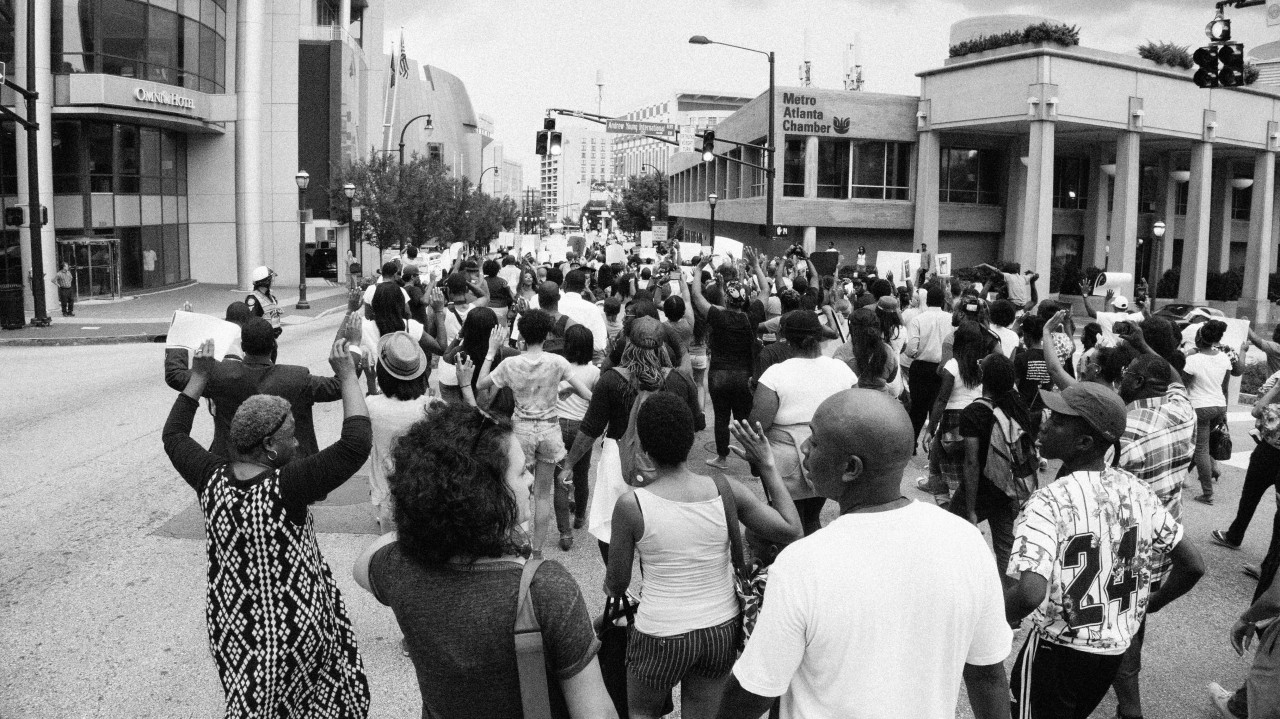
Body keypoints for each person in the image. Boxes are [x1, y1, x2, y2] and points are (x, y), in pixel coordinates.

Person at [716, 389, 1013, 719]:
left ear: (851, 468)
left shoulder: (803, 564)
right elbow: (987, 676)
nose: (803, 449)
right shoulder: (966, 543)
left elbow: (754, 692)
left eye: (813, 441)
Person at [352, 402, 617, 719]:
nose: (532, 479)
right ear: (484, 494)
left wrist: (429, 514)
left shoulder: (397, 568)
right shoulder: (544, 590)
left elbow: (362, 563)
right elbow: (596, 712)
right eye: (520, 472)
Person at [163, 336, 372, 718]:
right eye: (291, 436)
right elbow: (355, 444)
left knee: (251, 704)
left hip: (234, 628)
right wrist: (348, 376)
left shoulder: (210, 477)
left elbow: (174, 435)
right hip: (295, 632)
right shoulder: (286, 487)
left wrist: (198, 378)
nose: (297, 442)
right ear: (272, 447)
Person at [1005, 383, 1205, 719]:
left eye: (1057, 421)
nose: (1045, 422)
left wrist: (985, 617)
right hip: (1111, 654)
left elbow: (1028, 593)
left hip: (1056, 653)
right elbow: (1193, 564)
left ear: (1084, 442)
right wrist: (1149, 605)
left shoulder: (1048, 502)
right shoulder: (1138, 491)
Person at [606, 396, 802, 719]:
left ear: (642, 445)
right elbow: (790, 527)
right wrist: (767, 465)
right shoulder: (726, 489)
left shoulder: (631, 506)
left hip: (660, 633)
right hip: (719, 629)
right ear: (691, 439)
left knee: (642, 713)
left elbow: (617, 583)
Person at [561, 317, 703, 561]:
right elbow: (695, 425)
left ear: (628, 344)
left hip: (617, 461)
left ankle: (618, 589)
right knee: (658, 532)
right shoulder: (680, 381)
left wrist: (569, 465)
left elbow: (590, 429)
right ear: (661, 347)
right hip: (664, 466)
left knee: (611, 529)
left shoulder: (611, 380)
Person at [1107, 352, 1196, 719]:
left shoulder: (1124, 434)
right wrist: (1147, 346)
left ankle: (1131, 707)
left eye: (1126, 375)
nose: (1120, 380)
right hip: (1164, 541)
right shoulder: (1183, 410)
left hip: (1126, 549)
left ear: (1139, 383)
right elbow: (1174, 379)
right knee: (1135, 619)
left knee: (1117, 625)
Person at [477, 309, 594, 553]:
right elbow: (588, 395)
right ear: (547, 333)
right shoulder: (557, 362)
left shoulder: (510, 364)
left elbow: (481, 384)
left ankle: (519, 542)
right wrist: (568, 391)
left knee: (519, 488)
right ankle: (537, 551)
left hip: (521, 430)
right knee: (543, 494)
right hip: (550, 429)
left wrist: (491, 351)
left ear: (521, 334)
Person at [164, 316, 356, 458]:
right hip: (285, 473)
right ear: (273, 346)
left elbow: (175, 376)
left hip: (232, 469)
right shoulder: (297, 378)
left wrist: (182, 328)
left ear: (243, 347)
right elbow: (341, 384)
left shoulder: (221, 375)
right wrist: (354, 344)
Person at [750, 311, 857, 540]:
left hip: (784, 461)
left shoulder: (775, 374)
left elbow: (758, 424)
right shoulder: (841, 370)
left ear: (786, 339)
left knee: (787, 520)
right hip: (827, 455)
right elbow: (854, 416)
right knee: (811, 517)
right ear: (818, 337)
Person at [955, 353, 1034, 588]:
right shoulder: (1017, 407)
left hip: (979, 488)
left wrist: (970, 509)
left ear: (983, 378)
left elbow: (972, 462)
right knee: (1005, 547)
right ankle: (1011, 606)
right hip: (1006, 487)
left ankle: (961, 587)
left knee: (952, 533)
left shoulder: (974, 412)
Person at [690, 255, 760, 470]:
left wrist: (700, 268)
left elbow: (696, 294)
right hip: (744, 375)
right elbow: (765, 292)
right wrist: (757, 266)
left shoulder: (717, 316)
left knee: (721, 417)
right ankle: (755, 462)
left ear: (727, 300)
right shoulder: (751, 317)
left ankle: (721, 458)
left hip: (719, 374)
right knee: (745, 419)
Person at [364, 332, 434, 530]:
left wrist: (370, 382)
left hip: (387, 496)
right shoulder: (431, 407)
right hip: (423, 496)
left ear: (381, 372)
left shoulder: (370, 405)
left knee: (390, 552)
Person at [1214, 368, 1280, 551]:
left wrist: (1276, 389)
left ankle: (1235, 536)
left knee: (1250, 497)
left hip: (1269, 451)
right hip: (1268, 449)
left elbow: (1257, 409)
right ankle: (1270, 564)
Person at [1183, 319, 1246, 505]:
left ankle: (1207, 493)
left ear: (1199, 338)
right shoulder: (1224, 358)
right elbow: (1224, 388)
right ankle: (1211, 470)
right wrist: (1224, 412)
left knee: (1200, 449)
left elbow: (1182, 386)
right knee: (1204, 445)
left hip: (1199, 407)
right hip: (1218, 405)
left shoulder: (1192, 360)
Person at [924, 321, 988, 498]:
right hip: (977, 417)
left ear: (957, 341)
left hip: (953, 419)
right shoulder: (982, 366)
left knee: (939, 460)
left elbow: (942, 399)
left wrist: (930, 428)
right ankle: (966, 498)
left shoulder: (952, 365)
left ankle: (944, 500)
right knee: (969, 461)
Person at [554, 325, 600, 550]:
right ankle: (580, 516)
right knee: (581, 475)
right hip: (584, 428)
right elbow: (597, 402)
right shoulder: (594, 372)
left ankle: (565, 533)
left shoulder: (558, 367)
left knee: (561, 476)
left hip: (559, 426)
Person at [360, 282, 446, 393]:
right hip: (411, 390)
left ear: (374, 303)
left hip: (379, 390)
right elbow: (441, 348)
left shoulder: (363, 327)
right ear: (401, 303)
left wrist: (350, 310)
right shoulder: (411, 327)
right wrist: (438, 312)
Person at [905, 284, 953, 446]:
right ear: (943, 301)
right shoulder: (951, 319)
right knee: (937, 407)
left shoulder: (918, 319)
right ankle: (934, 444)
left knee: (917, 408)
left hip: (920, 368)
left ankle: (911, 444)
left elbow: (911, 348)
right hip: (944, 368)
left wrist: (916, 354)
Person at [244, 266, 283, 340]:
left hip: (271, 338)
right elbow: (252, 322)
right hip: (261, 339)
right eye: (271, 279)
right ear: (265, 281)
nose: (272, 281)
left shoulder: (271, 297)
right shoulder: (253, 299)